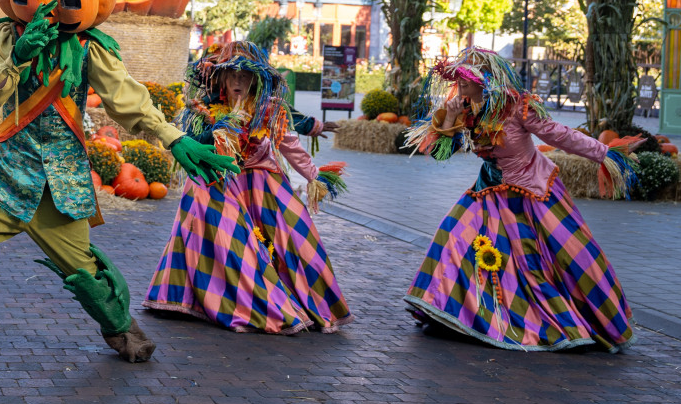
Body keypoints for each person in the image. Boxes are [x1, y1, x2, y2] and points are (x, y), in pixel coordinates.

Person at [0, 0, 238, 367]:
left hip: (61, 181)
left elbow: (126, 98)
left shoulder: (91, 48)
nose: (49, 8)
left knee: (83, 267)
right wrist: (18, 57)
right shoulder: (3, 36)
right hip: (7, 175)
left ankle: (123, 331)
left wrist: (174, 139)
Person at [402, 47, 637, 352]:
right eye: (458, 77)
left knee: (556, 257)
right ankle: (449, 310)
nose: (460, 82)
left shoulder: (517, 107)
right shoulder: (464, 107)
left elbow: (560, 135)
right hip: (488, 190)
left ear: (485, 80)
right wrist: (448, 123)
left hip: (532, 192)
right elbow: (440, 154)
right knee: (453, 235)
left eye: (466, 78)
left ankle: (559, 320)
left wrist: (605, 154)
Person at [145, 42, 351, 334]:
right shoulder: (203, 108)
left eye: (246, 74)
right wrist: (218, 129)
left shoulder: (268, 108)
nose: (239, 80)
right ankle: (219, 297)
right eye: (232, 74)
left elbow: (290, 142)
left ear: (256, 80)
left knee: (295, 229)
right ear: (220, 79)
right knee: (228, 237)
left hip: (261, 179)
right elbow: (193, 142)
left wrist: (314, 174)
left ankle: (307, 298)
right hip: (218, 179)